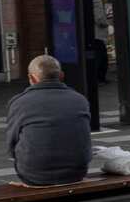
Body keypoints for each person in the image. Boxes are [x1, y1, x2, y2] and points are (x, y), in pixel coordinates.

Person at [6, 55, 92, 186]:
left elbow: (11, 143)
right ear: (61, 75)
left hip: (34, 175)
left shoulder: (20, 102)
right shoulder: (80, 99)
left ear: (32, 78)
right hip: (76, 172)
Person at [91, 0, 111, 84]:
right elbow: (99, 19)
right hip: (98, 34)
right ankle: (100, 79)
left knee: (97, 57)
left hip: (92, 34)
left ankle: (98, 79)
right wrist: (107, 23)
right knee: (102, 58)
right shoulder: (97, 1)